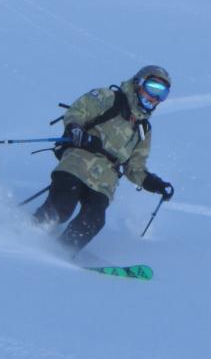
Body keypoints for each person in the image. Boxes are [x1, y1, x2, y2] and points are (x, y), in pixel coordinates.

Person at [32, 65, 175, 255]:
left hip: (105, 182)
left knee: (94, 220)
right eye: (152, 88)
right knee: (62, 206)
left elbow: (135, 168)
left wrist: (154, 183)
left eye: (162, 94)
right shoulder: (109, 97)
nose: (155, 97)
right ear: (139, 83)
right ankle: (30, 232)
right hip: (78, 163)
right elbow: (77, 111)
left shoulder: (143, 129)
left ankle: (62, 252)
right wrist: (76, 129)